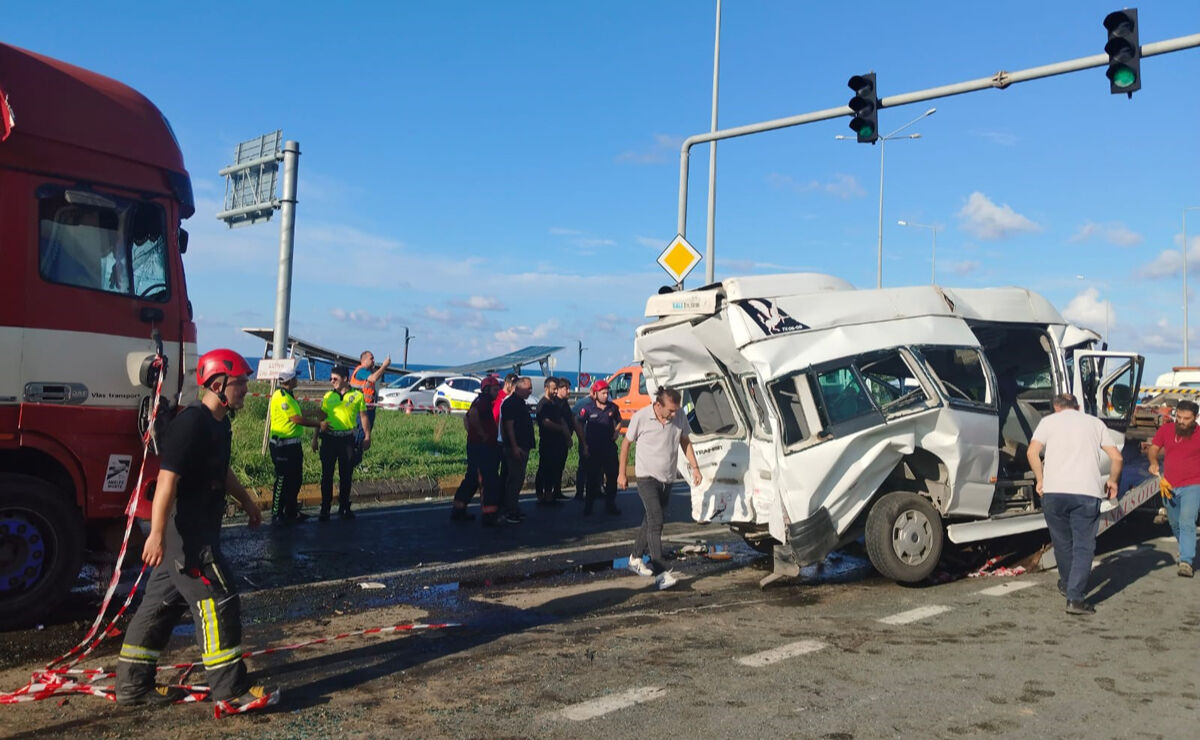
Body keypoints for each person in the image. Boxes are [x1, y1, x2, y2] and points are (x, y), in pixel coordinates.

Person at [116, 349, 278, 714]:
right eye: (241, 384)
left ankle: (132, 685)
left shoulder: (220, 424)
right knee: (219, 599)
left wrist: (248, 502)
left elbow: (220, 471)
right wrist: (156, 534)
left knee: (160, 605)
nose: (246, 390)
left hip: (197, 531)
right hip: (187, 536)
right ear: (219, 384)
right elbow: (166, 484)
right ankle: (230, 689)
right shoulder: (191, 423)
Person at [1027, 393, 1122, 615]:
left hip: (1053, 492)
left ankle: (1067, 584)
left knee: (1062, 543)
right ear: (1078, 407)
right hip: (1086, 492)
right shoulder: (1094, 423)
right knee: (1083, 545)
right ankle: (1075, 598)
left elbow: (1032, 452)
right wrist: (1113, 481)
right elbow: (1116, 458)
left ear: (1055, 407)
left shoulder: (1048, 422)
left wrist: (1040, 479)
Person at [618, 387, 702, 590]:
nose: (674, 414)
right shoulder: (641, 417)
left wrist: (695, 467)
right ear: (658, 405)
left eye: (676, 410)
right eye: (670, 411)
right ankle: (661, 572)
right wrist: (622, 473)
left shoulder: (679, 415)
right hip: (646, 477)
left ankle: (635, 558)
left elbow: (685, 441)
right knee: (657, 519)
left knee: (651, 519)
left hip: (667, 477)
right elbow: (626, 444)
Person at [1147, 399, 1200, 577]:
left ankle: (1186, 561)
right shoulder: (1166, 430)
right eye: (1179, 417)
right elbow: (1153, 449)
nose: (1182, 422)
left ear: (1195, 418)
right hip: (1168, 485)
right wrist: (1153, 462)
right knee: (1175, 522)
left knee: (1187, 521)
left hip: (1193, 484)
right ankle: (1184, 546)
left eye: (1186, 418)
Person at [268, 367, 326, 524]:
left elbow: (299, 412)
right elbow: (296, 419)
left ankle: (291, 511)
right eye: (295, 378)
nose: (297, 380)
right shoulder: (282, 397)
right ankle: (277, 513)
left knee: (295, 479)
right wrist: (318, 424)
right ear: (289, 381)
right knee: (282, 479)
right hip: (282, 445)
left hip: (292, 445)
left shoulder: (288, 395)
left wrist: (314, 411)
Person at [314, 365, 370, 520]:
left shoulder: (357, 396)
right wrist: (314, 439)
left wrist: (367, 436)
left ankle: (344, 506)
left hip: (347, 440)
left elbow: (364, 417)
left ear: (345, 379)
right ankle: (325, 508)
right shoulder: (328, 397)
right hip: (329, 439)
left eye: (335, 379)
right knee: (327, 476)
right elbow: (321, 419)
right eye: (330, 379)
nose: (332, 381)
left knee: (346, 475)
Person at [452, 375, 504, 526]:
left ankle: (459, 508)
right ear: (487, 389)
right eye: (495, 389)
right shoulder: (483, 402)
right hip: (482, 447)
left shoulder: (482, 401)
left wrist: (473, 433)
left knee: (473, 478)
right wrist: (481, 434)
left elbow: (467, 419)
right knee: (487, 478)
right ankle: (489, 514)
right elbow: (473, 415)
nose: (497, 392)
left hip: (479, 445)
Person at [577, 379, 623, 516]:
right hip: (593, 448)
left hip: (609, 448)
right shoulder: (588, 408)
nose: (605, 395)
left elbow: (619, 421)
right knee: (592, 478)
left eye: (607, 392)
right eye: (603, 393)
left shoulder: (612, 407)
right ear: (595, 394)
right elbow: (578, 422)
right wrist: (583, 442)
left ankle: (610, 504)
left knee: (612, 476)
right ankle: (589, 505)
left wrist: (616, 432)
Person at [500, 376, 535, 523]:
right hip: (516, 447)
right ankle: (509, 510)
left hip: (522, 445)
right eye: (528, 388)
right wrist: (514, 447)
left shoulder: (520, 403)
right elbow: (508, 427)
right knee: (514, 479)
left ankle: (513, 507)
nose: (531, 391)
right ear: (519, 388)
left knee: (518, 479)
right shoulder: (511, 403)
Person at [350, 351, 390, 465]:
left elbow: (375, 378)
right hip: (361, 410)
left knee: (364, 435)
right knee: (360, 436)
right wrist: (384, 366)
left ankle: (357, 461)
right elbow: (373, 378)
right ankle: (354, 462)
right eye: (371, 358)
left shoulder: (368, 371)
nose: (373, 360)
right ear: (364, 360)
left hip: (369, 408)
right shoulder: (361, 371)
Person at [534, 378, 569, 506]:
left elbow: (561, 419)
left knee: (553, 469)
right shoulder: (543, 405)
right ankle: (540, 495)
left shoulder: (555, 404)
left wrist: (567, 436)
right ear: (546, 388)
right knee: (544, 468)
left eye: (556, 389)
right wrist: (561, 428)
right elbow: (545, 422)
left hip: (557, 442)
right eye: (553, 389)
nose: (555, 391)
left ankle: (550, 494)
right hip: (547, 441)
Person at [552, 377, 574, 500]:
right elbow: (562, 422)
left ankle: (557, 490)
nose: (568, 391)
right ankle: (550, 493)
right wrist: (568, 438)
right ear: (559, 389)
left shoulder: (564, 403)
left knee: (560, 466)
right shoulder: (556, 403)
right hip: (556, 440)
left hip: (563, 441)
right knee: (554, 466)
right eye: (566, 388)